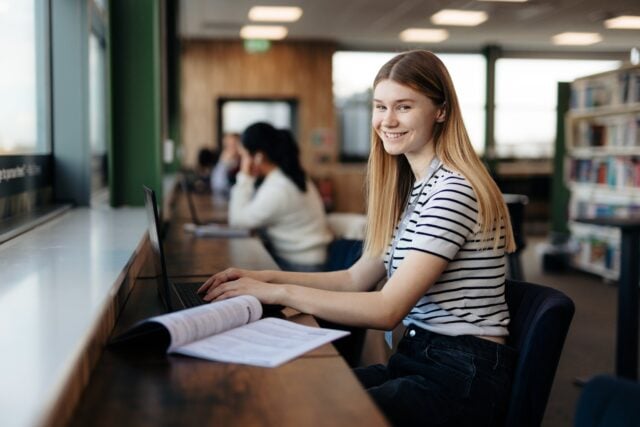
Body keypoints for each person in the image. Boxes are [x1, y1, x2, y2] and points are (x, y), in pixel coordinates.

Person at [198, 50, 517, 426]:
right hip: (420, 357)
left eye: (404, 107)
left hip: (460, 374)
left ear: (441, 111)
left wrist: (278, 293)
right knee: (295, 388)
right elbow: (355, 278)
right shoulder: (417, 190)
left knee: (306, 411)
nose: (388, 120)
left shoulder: (453, 191)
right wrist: (265, 277)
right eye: (380, 107)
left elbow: (386, 310)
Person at [226, 122, 333, 272]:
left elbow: (237, 222)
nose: (242, 162)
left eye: (243, 156)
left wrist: (245, 176)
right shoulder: (286, 177)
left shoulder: (278, 189)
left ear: (258, 157)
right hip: (311, 260)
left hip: (302, 266)